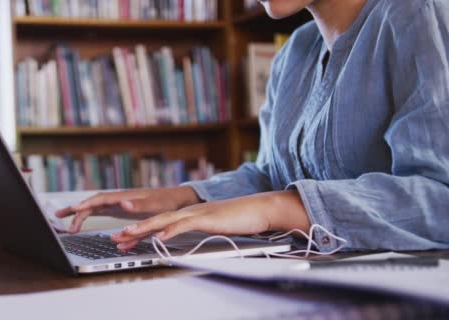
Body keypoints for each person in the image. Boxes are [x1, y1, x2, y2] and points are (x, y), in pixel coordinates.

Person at [56, 0, 449, 252]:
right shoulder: (295, 52)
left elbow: (441, 199)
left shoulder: (419, 15)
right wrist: (181, 197)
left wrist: (279, 207)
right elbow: (272, 177)